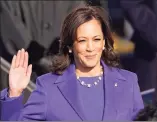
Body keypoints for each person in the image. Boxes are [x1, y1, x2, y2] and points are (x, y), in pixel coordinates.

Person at [0, 6, 144, 121]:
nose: (90, 48)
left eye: (96, 39)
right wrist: (14, 93)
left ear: (104, 43)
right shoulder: (48, 86)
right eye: (82, 40)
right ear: (70, 46)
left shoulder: (128, 82)